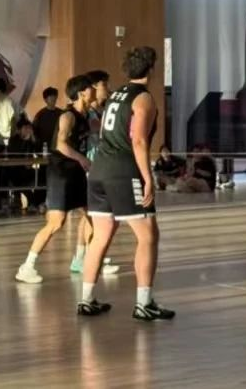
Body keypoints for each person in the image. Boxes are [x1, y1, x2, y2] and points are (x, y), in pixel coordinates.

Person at [78, 46, 174, 321]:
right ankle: (144, 303)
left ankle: (86, 299)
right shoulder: (143, 98)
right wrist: (148, 178)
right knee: (148, 236)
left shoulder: (115, 95)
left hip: (99, 170)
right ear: (152, 69)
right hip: (123, 171)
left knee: (101, 236)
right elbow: (139, 140)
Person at [16, 75, 119, 284]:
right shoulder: (68, 116)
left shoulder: (86, 115)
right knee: (56, 222)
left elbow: (99, 130)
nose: (94, 90)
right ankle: (27, 266)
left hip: (76, 171)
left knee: (92, 215)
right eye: (90, 88)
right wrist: (82, 159)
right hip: (61, 172)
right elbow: (61, 144)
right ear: (81, 93)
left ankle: (87, 259)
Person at [85, 70, 111, 162]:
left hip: (106, 160)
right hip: (89, 162)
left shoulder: (108, 109)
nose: (108, 88)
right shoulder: (85, 112)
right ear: (94, 86)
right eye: (104, 85)